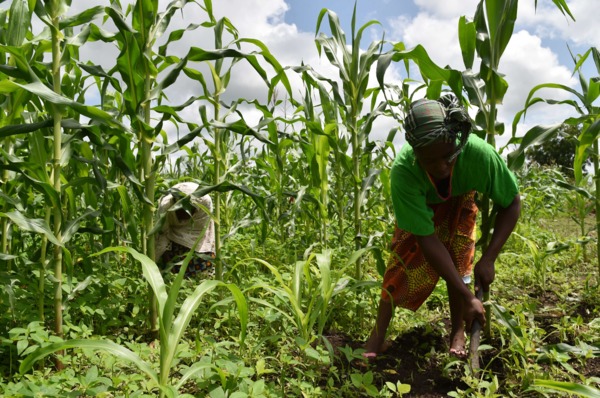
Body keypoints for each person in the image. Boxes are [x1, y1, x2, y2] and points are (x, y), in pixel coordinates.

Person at [364, 95, 520, 358]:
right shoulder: (405, 171)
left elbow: (512, 203)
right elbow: (425, 238)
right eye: (430, 161)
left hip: (461, 199)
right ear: (416, 154)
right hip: (424, 207)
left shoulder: (478, 155)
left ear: (455, 141)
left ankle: (457, 330)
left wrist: (489, 258)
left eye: (448, 157)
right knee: (401, 262)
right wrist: (469, 296)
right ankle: (378, 335)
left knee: (460, 257)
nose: (442, 167)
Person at [155, 182, 216, 278]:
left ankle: (202, 279)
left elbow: (200, 233)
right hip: (173, 237)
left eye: (188, 209)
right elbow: (162, 233)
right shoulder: (166, 206)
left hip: (198, 234)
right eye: (180, 210)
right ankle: (175, 278)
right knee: (172, 264)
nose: (184, 213)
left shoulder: (204, 203)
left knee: (202, 261)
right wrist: (166, 262)